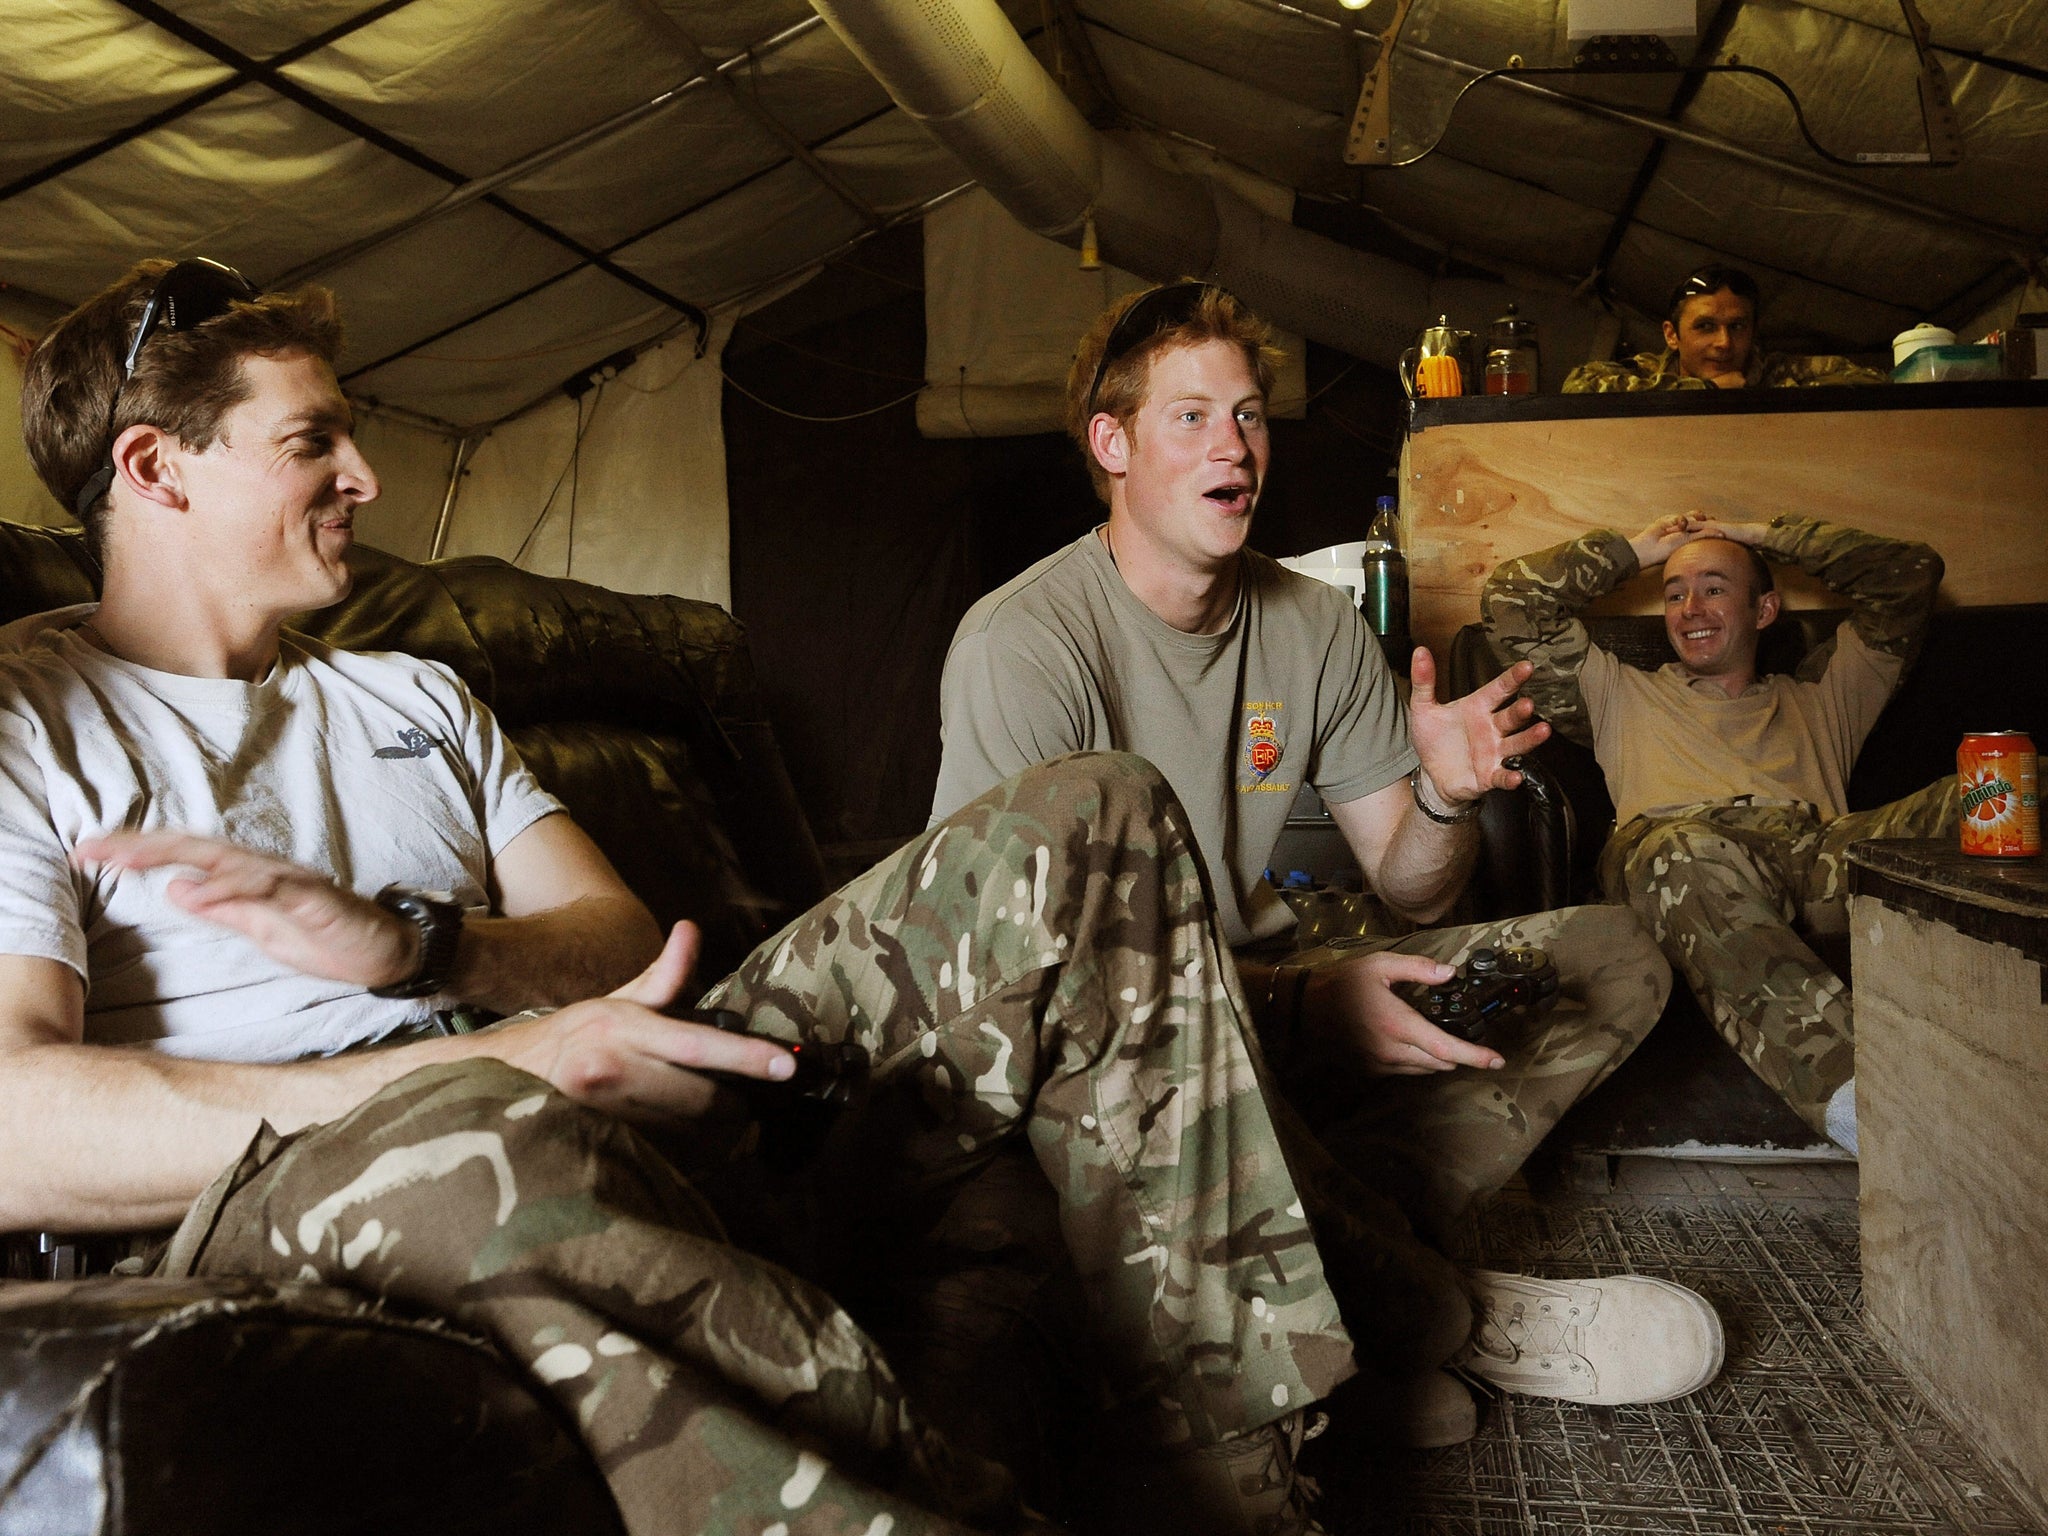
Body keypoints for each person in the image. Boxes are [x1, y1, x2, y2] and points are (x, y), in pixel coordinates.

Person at [4, 259, 1415, 1536]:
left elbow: (615, 941)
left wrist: (418, 947)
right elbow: (14, 1119)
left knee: (1094, 811)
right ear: (158, 468)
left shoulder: (412, 694)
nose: (366, 475)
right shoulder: (32, 716)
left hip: (569, 1064)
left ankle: (1235, 1477)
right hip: (302, 1169)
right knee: (474, 1146)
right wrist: (489, 1064)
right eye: (315, 440)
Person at [930, 281, 1722, 1448]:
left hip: (1276, 1004)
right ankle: (1430, 1309)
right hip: (1118, 1048)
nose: (1234, 446)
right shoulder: (1023, 644)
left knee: (1612, 954)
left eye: (1248, 416)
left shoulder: (1308, 625)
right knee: (1118, 1097)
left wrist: (1445, 799)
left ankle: (1294, 1276)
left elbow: (1411, 888)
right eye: (1190, 417)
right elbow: (1035, 987)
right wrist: (1295, 1009)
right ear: (1111, 444)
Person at [1482, 511, 1955, 1154]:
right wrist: (1638, 550)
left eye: (1713, 587)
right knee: (1684, 853)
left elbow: (1910, 575)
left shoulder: (1827, 689)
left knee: (2016, 785)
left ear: (1765, 609)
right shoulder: (1617, 690)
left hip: (1817, 852)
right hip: (1676, 849)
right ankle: (1886, 1121)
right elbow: (1512, 600)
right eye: (1673, 593)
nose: (1688, 608)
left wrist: (1760, 536)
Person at [1563, 265, 1888, 392]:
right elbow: (1578, 385)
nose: (1724, 342)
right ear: (1671, 334)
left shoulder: (1782, 371)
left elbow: (1874, 384)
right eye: (1705, 326)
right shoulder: (1646, 372)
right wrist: (1707, 392)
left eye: (1737, 326)